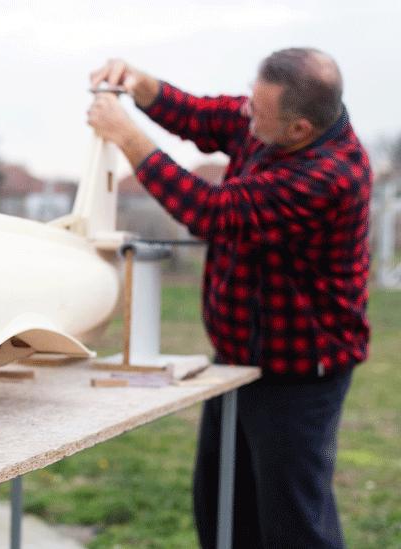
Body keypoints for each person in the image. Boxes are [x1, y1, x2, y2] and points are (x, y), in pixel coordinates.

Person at [86, 48, 371, 548]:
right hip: (239, 358)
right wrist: (138, 83)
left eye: (257, 111)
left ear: (300, 128)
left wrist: (127, 137)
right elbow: (198, 114)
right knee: (223, 513)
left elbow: (215, 212)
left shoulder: (330, 175)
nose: (245, 114)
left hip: (298, 375)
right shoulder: (269, 121)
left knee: (293, 525)